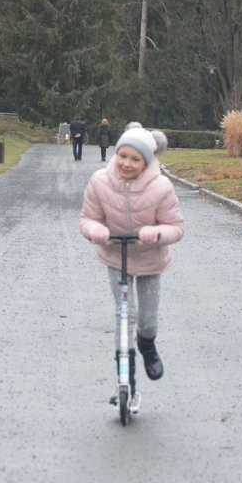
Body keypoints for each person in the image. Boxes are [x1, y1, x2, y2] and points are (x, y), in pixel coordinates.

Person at [80, 127, 184, 412]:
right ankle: (126, 384)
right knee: (125, 317)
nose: (126, 163)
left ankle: (147, 345)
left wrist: (155, 233)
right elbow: (87, 219)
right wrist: (97, 231)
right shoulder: (99, 181)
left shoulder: (161, 187)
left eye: (135, 159)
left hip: (150, 259)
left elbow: (176, 227)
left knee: (147, 321)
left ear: (147, 162)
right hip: (117, 256)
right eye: (122, 155)